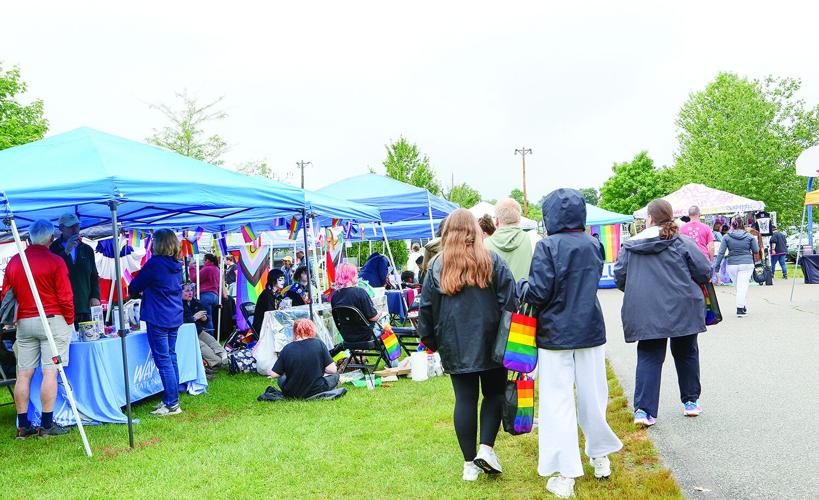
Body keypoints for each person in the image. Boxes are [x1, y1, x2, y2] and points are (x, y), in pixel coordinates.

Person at [519, 189, 622, 498]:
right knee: (593, 395)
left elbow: (538, 292)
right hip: (589, 328)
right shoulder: (594, 244)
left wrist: (522, 285)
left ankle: (566, 474)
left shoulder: (547, 246)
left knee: (558, 402)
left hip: (555, 333)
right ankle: (600, 457)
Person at [417, 208, 515, 481]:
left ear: (448, 232)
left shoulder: (437, 265)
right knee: (493, 394)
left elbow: (426, 308)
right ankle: (485, 448)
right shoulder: (491, 260)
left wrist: (431, 341)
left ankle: (469, 464)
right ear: (474, 230)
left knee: (465, 400)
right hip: (492, 341)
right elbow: (510, 302)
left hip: (455, 343)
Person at [614, 199, 711, 430]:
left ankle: (644, 410)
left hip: (647, 309)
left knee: (649, 356)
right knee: (686, 352)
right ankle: (690, 401)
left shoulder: (630, 246)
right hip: (683, 306)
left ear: (649, 218)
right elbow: (704, 271)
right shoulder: (682, 242)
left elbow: (620, 276)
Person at [2, 220, 74, 438]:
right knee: (50, 372)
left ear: (29, 238)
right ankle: (47, 424)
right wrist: (69, 321)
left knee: (23, 374)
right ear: (51, 238)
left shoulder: (15, 261)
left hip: (24, 321)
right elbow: (65, 296)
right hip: (52, 319)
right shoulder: (56, 261)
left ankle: (23, 426)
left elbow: (6, 294)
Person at [129, 229, 184, 417]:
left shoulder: (154, 264)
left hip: (158, 317)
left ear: (158, 244)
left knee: (164, 359)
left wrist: (145, 291)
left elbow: (133, 286)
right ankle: (172, 399)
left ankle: (172, 403)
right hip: (174, 315)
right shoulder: (177, 265)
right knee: (171, 356)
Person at [49, 213, 100, 328]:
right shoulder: (52, 249)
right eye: (71, 226)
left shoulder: (87, 249)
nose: (75, 229)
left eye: (77, 226)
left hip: (84, 306)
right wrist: (66, 252)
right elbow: (51, 272)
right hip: (62, 309)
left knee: (88, 340)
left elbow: (94, 275)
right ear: (61, 228)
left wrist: (95, 296)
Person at [269, 319, 339, 399]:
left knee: (282, 378)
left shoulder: (287, 348)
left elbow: (274, 374)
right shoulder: (319, 344)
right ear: (312, 329)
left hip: (292, 392)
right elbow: (332, 370)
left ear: (295, 331)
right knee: (336, 376)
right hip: (316, 389)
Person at [713, 215, 760, 316]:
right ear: (743, 223)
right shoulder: (749, 236)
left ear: (731, 224)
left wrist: (717, 267)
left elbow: (721, 253)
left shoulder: (726, 237)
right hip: (747, 263)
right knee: (742, 286)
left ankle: (742, 305)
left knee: (739, 286)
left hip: (732, 264)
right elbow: (756, 250)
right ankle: (740, 308)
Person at [484, 198, 535, 281]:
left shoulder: (483, 245)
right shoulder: (531, 240)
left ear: (496, 221)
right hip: (523, 292)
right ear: (519, 219)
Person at [330, 263, 380, 343]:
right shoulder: (360, 292)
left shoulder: (334, 296)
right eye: (356, 273)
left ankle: (359, 353)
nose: (358, 275)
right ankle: (393, 353)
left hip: (347, 336)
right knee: (386, 326)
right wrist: (381, 313)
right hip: (366, 335)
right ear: (350, 276)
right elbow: (372, 317)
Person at [181, 284, 227, 370]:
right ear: (180, 293)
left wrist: (204, 319)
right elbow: (181, 323)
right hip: (186, 335)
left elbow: (205, 319)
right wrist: (194, 318)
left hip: (197, 331)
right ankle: (218, 362)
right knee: (204, 347)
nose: (190, 293)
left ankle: (224, 356)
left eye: (191, 290)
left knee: (212, 341)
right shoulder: (178, 305)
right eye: (187, 291)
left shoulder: (195, 302)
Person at [190, 254, 221, 333]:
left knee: (206, 318)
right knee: (209, 318)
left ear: (207, 260)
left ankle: (209, 338)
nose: (203, 262)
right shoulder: (217, 269)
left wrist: (191, 267)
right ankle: (212, 337)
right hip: (215, 296)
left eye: (204, 260)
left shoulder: (207, 269)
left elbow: (194, 278)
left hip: (205, 295)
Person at [253, 269, 286, 335]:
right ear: (273, 280)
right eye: (280, 280)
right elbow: (271, 313)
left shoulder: (275, 293)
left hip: (269, 324)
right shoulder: (267, 294)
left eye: (283, 279)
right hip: (263, 328)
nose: (283, 282)